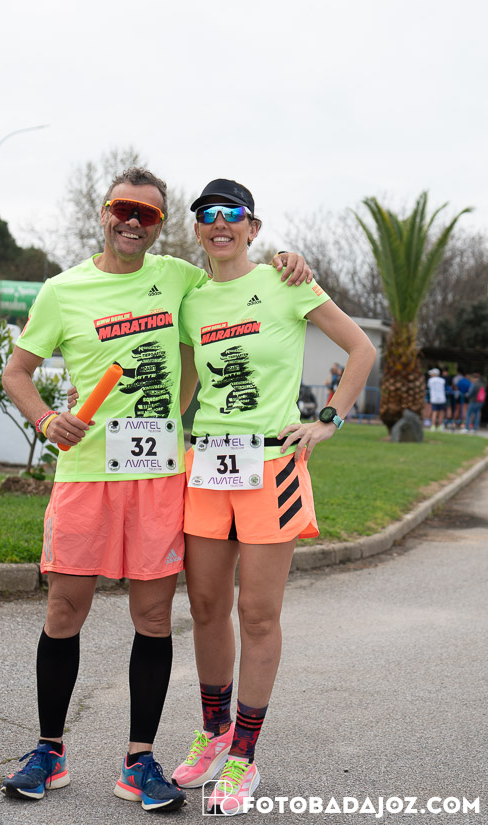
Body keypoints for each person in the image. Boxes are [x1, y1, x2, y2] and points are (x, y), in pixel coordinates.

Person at [0, 167, 312, 811]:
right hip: (86, 475)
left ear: (161, 225)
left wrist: (288, 258)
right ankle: (48, 752)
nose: (133, 221)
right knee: (64, 610)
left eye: (148, 213)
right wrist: (46, 419)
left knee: (152, 618)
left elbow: (236, 271)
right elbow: (17, 372)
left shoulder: (179, 278)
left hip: (159, 478)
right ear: (105, 213)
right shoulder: (62, 290)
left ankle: (139, 761)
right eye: (124, 208)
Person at [170, 179, 376, 815]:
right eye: (208, 214)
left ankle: (244, 755)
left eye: (233, 214)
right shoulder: (190, 299)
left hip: (271, 468)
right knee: (206, 607)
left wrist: (329, 419)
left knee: (257, 614)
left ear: (252, 228)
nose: (220, 223)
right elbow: (184, 385)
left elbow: (361, 348)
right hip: (206, 465)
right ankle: (214, 732)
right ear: (196, 227)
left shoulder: (286, 281)